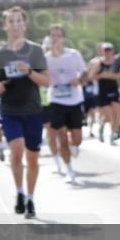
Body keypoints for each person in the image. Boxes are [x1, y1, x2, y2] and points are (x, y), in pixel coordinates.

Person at [0, 6, 50, 219]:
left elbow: (47, 80)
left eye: (19, 21)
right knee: (17, 150)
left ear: (24, 25)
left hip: (33, 111)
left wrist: (28, 72)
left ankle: (30, 198)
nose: (15, 25)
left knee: (32, 158)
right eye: (11, 21)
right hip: (10, 110)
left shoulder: (36, 50)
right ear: (5, 26)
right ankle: (18, 192)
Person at [44, 24, 86, 184]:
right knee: (61, 137)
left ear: (63, 38)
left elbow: (85, 72)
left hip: (74, 100)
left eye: (58, 35)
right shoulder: (46, 58)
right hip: (56, 100)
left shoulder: (73, 54)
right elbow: (41, 76)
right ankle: (69, 171)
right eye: (52, 35)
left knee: (77, 139)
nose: (55, 38)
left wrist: (79, 80)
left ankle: (74, 145)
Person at [89, 42, 120, 145]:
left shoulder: (117, 62)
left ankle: (112, 134)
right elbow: (91, 76)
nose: (107, 52)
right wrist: (102, 75)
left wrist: (110, 76)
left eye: (109, 50)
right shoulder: (98, 63)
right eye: (105, 50)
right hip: (102, 92)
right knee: (108, 115)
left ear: (113, 51)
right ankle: (102, 126)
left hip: (115, 90)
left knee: (117, 113)